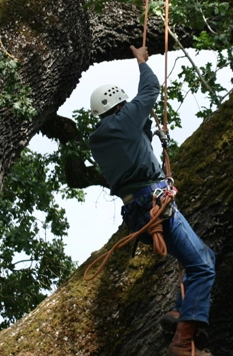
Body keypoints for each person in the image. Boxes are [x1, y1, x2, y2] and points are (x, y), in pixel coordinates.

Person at [89, 45, 216, 356]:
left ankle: (177, 313)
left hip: (138, 213)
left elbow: (134, 143)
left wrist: (150, 132)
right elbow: (150, 89)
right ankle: (183, 344)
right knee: (203, 266)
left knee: (200, 258)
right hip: (156, 205)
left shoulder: (100, 139)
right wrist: (142, 63)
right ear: (119, 105)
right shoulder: (125, 119)